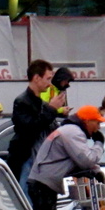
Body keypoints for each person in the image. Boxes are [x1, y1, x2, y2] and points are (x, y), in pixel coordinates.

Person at [7, 59, 69, 197]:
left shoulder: (39, 102)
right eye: (47, 78)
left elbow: (46, 127)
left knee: (37, 198)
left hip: (40, 161)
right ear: (36, 78)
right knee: (26, 197)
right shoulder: (22, 102)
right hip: (27, 158)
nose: (49, 83)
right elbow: (30, 128)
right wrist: (52, 109)